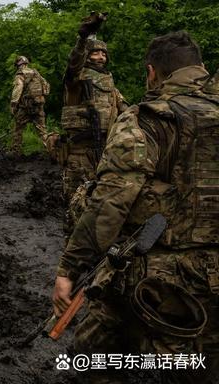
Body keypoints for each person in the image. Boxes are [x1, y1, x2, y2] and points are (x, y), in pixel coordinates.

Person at [52, 31, 219, 384]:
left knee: (92, 358)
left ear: (152, 72)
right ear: (200, 68)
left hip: (158, 280)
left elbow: (110, 204)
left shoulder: (149, 119)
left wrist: (69, 269)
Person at [54, 12, 127, 237]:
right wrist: (82, 39)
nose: (100, 57)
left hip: (104, 152)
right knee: (77, 206)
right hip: (79, 153)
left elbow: (126, 109)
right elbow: (73, 65)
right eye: (95, 52)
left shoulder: (109, 83)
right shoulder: (77, 79)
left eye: (103, 53)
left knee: (102, 205)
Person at [10, 55, 51, 155]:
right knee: (42, 130)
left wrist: (13, 104)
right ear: (27, 63)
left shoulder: (20, 74)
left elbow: (18, 89)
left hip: (25, 107)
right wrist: (41, 97)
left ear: (18, 64)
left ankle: (16, 153)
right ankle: (51, 150)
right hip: (38, 105)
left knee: (18, 129)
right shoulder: (36, 73)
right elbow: (46, 85)